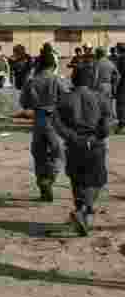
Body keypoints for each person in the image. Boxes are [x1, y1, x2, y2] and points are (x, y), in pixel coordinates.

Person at [52, 63, 112, 236]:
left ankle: (82, 213)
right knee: (98, 180)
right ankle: (84, 209)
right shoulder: (101, 98)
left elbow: (57, 123)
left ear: (73, 79)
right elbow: (107, 123)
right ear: (91, 80)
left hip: (73, 146)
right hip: (95, 145)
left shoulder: (64, 99)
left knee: (76, 180)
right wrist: (96, 137)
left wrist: (72, 138)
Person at [20, 50, 66, 203]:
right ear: (53, 65)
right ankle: (50, 177)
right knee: (58, 152)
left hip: (38, 119)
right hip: (54, 120)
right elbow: (67, 101)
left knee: (38, 153)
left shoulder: (31, 81)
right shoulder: (57, 80)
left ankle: (42, 184)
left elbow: (24, 103)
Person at [92, 47, 119, 123]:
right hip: (108, 85)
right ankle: (108, 120)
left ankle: (100, 121)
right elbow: (117, 75)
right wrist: (114, 85)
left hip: (99, 85)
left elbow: (95, 76)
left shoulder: (96, 63)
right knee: (108, 103)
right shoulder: (110, 63)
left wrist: (93, 87)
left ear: (98, 53)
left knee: (98, 104)